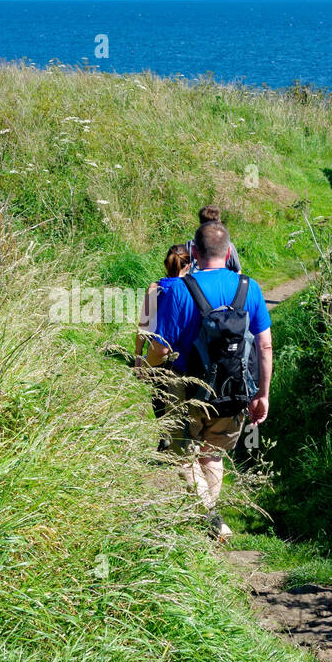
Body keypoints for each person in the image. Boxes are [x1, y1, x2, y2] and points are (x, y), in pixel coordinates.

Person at [148, 221, 273, 539]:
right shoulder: (250, 287)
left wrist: (146, 371)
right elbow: (265, 344)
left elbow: (161, 347)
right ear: (229, 252)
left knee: (181, 456)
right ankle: (208, 527)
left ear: (194, 252)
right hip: (234, 391)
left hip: (187, 391)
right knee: (212, 455)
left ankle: (209, 519)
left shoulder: (178, 289)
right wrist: (262, 393)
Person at [135, 245, 192, 448]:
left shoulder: (155, 287)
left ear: (166, 264)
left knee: (158, 394)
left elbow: (144, 324)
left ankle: (163, 436)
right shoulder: (191, 288)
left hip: (156, 348)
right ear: (189, 265)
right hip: (183, 351)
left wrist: (138, 355)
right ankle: (181, 439)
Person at [184, 205, 242, 273]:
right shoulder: (227, 246)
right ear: (219, 223)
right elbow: (238, 272)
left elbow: (182, 270)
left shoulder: (190, 245)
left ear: (200, 224)